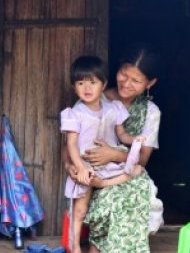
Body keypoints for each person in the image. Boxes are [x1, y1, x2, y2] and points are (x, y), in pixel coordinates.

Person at [63, 46, 163, 253]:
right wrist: (70, 166)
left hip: (122, 172)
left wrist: (115, 154)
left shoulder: (150, 112)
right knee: (106, 198)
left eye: (136, 81)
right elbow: (71, 144)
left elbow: (141, 160)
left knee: (129, 196)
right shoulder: (92, 98)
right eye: (123, 75)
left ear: (150, 83)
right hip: (91, 171)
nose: (126, 84)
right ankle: (93, 247)